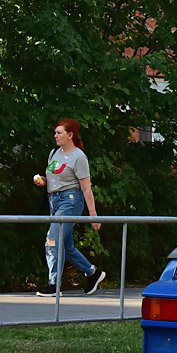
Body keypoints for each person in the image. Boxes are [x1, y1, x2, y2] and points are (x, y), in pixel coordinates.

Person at [32, 119, 106, 296]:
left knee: (52, 239)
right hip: (53, 200)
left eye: (59, 133)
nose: (55, 135)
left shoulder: (79, 157)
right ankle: (93, 273)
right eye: (55, 132)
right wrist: (43, 181)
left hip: (70, 201)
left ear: (70, 135)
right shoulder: (54, 153)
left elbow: (86, 187)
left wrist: (93, 215)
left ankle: (53, 284)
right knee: (66, 245)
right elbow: (54, 178)